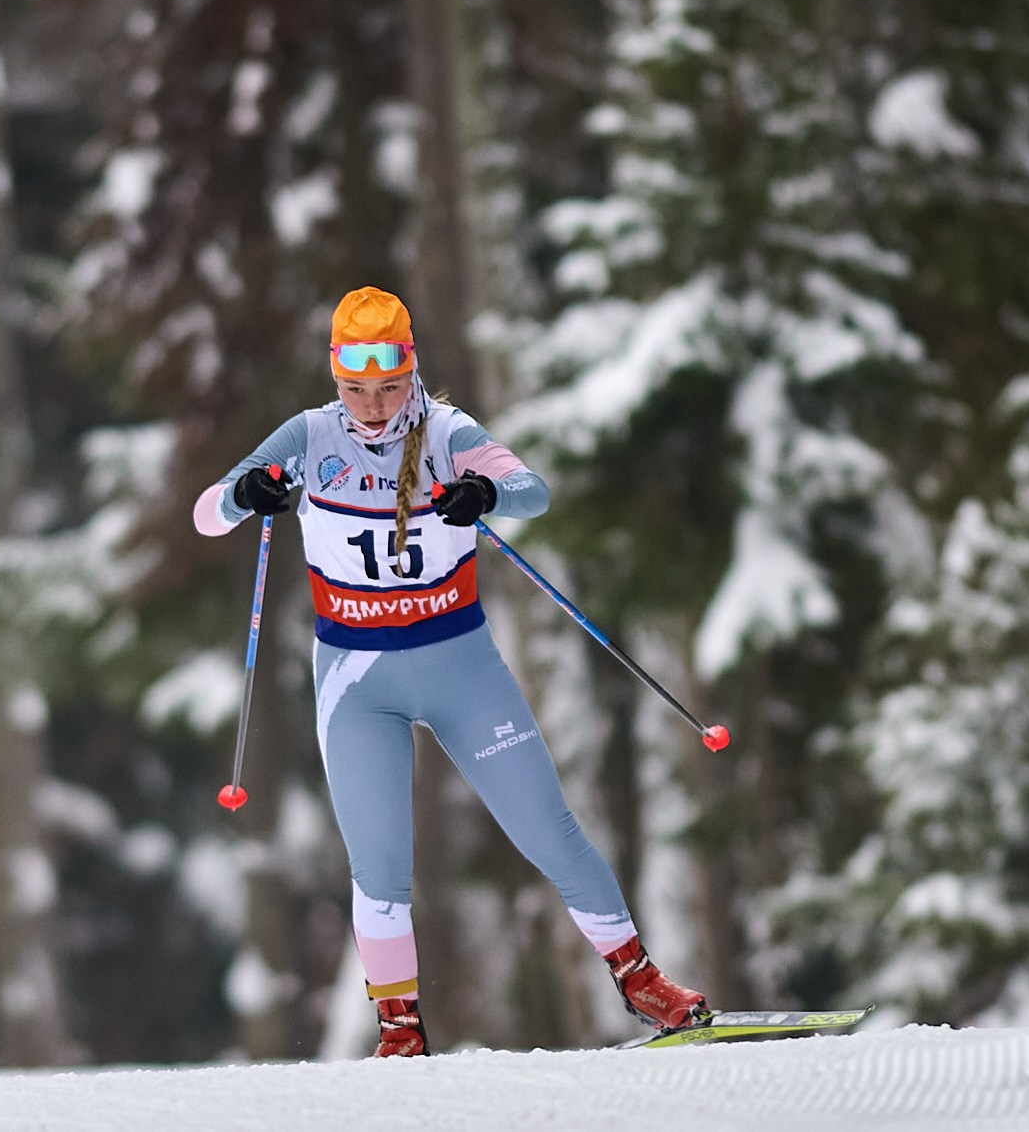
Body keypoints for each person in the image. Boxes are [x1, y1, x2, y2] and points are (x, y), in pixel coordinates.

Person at [193, 285, 710, 1059]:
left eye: (389, 386)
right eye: (355, 389)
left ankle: (641, 980)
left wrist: (483, 490)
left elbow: (533, 492)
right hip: (358, 680)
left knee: (550, 829)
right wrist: (245, 491)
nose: (373, 407)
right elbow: (206, 513)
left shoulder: (446, 430)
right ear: (335, 378)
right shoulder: (308, 435)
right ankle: (400, 1030)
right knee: (379, 867)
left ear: (412, 370)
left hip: (460, 667)